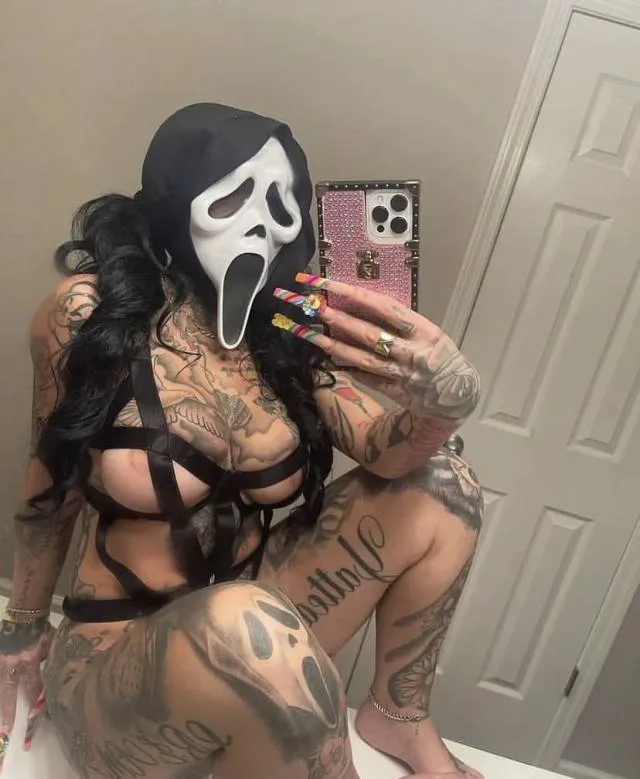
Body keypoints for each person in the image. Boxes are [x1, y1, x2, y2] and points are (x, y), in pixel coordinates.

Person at [0, 103, 483, 779]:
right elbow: (50, 485)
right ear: (177, 203)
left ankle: (399, 715)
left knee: (443, 486)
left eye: (282, 203)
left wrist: (445, 401)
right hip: (118, 661)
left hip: (258, 630)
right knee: (244, 620)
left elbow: (388, 451)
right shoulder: (91, 312)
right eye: (234, 195)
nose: (261, 220)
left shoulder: (282, 333)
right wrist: (21, 628)